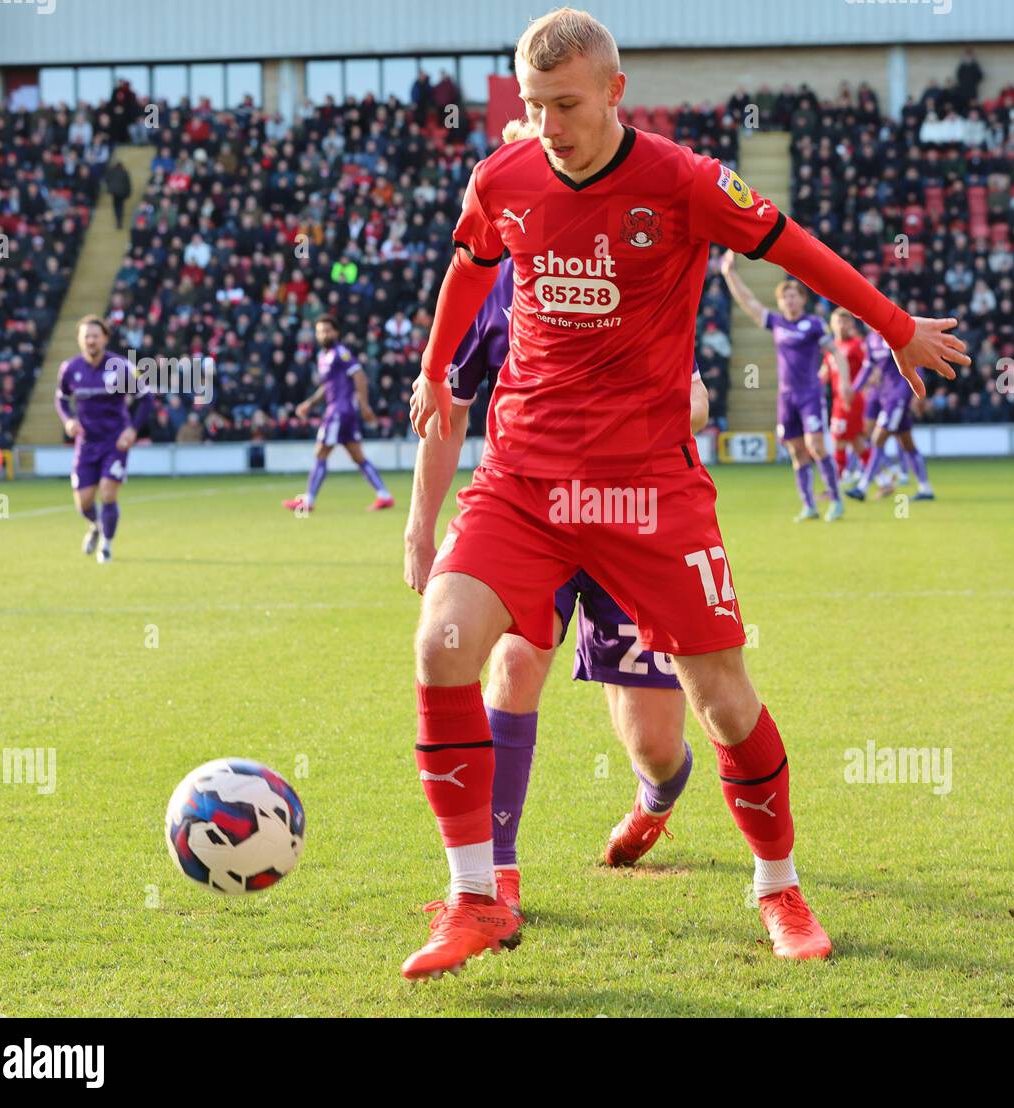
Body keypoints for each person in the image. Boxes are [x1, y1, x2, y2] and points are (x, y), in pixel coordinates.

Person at [403, 6, 966, 980]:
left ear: (615, 92)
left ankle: (778, 886)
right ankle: (474, 897)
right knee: (445, 642)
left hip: (648, 485)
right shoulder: (503, 177)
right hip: (526, 476)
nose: (549, 124)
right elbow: (469, 266)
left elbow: (791, 246)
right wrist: (433, 365)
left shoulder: (684, 182)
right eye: (534, 106)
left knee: (722, 700)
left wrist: (890, 321)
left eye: (567, 105)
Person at [405, 247, 709, 915]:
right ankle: (495, 874)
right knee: (513, 664)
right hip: (530, 517)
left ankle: (655, 800)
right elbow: (448, 413)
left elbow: (696, 398)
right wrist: (419, 530)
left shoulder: (624, 271)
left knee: (656, 746)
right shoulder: (484, 288)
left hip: (630, 518)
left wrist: (624, 420)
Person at [720, 252, 848, 521]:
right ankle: (809, 505)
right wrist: (730, 274)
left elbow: (835, 352)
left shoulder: (814, 324)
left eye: (794, 296)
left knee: (816, 445)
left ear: (802, 299)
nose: (790, 300)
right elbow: (749, 302)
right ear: (780, 301)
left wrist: (844, 382)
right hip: (786, 396)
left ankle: (835, 500)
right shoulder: (777, 323)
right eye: (785, 297)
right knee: (796, 451)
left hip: (810, 394)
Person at [54, 315, 152, 563]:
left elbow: (145, 398)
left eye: (95, 335)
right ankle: (96, 526)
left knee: (108, 493)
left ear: (105, 338)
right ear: (79, 339)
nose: (90, 340)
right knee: (84, 501)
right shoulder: (70, 368)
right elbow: (61, 399)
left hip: (114, 440)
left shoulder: (120, 366)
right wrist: (68, 420)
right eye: (86, 336)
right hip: (86, 443)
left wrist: (133, 430)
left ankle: (106, 545)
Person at [282, 316, 394, 512]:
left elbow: (359, 376)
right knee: (357, 456)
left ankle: (307, 501)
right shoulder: (323, 357)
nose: (323, 334)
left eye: (326, 330)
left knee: (321, 452)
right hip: (342, 412)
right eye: (319, 331)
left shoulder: (340, 353)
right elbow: (327, 387)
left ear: (336, 332)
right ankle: (384, 495)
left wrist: (365, 405)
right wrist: (309, 403)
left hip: (338, 412)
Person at [846, 330, 935, 502]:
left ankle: (862, 487)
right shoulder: (871, 339)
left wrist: (918, 393)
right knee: (907, 444)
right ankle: (925, 488)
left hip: (898, 397)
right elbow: (867, 367)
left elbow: (915, 363)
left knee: (877, 440)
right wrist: (854, 390)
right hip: (884, 395)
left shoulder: (896, 334)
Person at [824, 308, 868, 484]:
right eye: (837, 322)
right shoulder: (831, 349)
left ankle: (835, 484)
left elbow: (870, 370)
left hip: (851, 399)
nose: (841, 326)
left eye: (845, 322)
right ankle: (883, 479)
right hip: (837, 399)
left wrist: (864, 391)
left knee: (838, 441)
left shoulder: (857, 345)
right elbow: (825, 372)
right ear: (832, 325)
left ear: (851, 324)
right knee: (857, 443)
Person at [104, 158, 132, 229]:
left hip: (114, 192)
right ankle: (119, 220)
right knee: (120, 206)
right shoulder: (124, 172)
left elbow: (106, 179)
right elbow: (128, 184)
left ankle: (118, 219)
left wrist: (109, 188)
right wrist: (128, 193)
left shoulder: (111, 171)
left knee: (116, 206)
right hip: (121, 193)